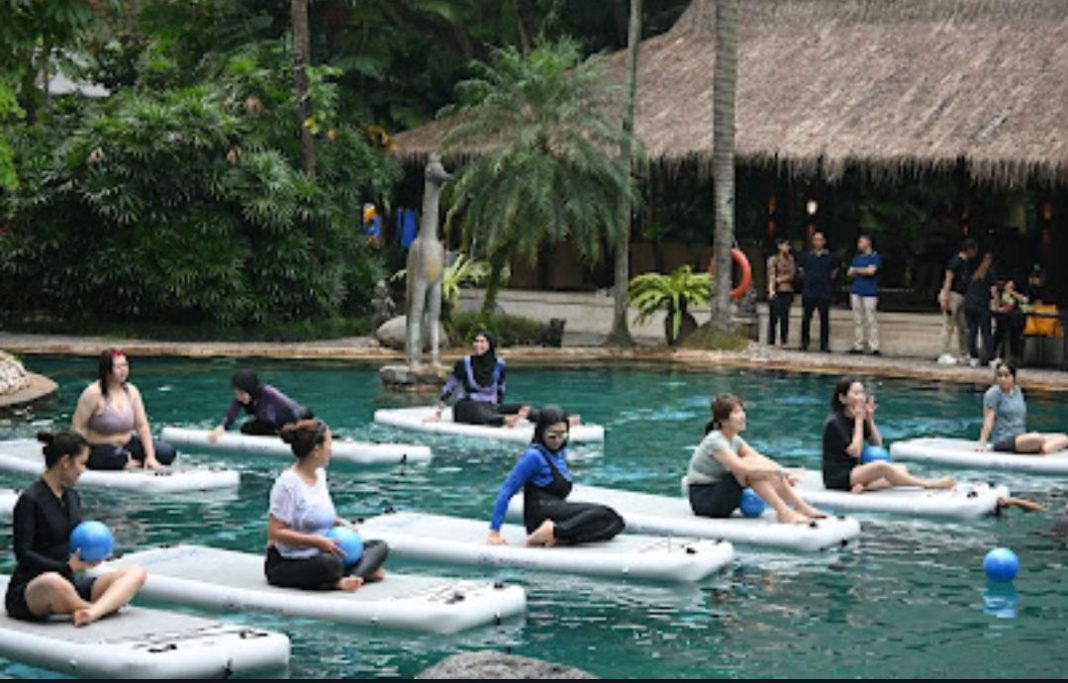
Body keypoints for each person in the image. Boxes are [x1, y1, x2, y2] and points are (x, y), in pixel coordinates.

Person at [5, 430, 147, 625]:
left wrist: (94, 551)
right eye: (81, 463)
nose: (83, 470)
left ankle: (92, 612)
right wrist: (65, 567)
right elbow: (23, 554)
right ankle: (96, 608)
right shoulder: (30, 499)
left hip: (70, 583)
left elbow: (76, 538)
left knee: (135, 573)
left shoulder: (72, 497)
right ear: (65, 462)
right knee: (52, 581)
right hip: (34, 587)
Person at [265, 419, 389, 591]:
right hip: (290, 561)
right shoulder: (288, 484)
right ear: (317, 449)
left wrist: (341, 523)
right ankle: (342, 579)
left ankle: (351, 577)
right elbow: (275, 532)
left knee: (379, 547)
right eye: (329, 444)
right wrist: (316, 542)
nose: (331, 449)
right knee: (329, 565)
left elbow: (319, 514)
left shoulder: (320, 475)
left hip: (325, 551)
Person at [487, 405, 623, 547]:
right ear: (541, 432)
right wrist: (494, 532)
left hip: (557, 513)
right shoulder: (533, 456)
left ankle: (558, 535)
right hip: (539, 517)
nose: (557, 440)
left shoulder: (559, 452)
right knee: (601, 513)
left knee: (616, 523)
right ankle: (551, 532)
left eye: (563, 435)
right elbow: (506, 491)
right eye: (552, 436)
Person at [686, 393, 828, 524]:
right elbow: (743, 469)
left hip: (722, 493)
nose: (742, 415)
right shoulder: (715, 441)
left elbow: (758, 458)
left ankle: (800, 507)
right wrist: (780, 472)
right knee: (750, 470)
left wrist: (783, 472)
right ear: (723, 420)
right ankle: (784, 512)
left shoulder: (734, 439)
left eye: (742, 410)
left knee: (756, 465)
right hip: (705, 500)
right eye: (736, 412)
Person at [823, 377, 955, 493]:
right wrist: (858, 420)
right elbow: (855, 452)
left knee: (901, 469)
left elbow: (877, 444)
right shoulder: (834, 423)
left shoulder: (859, 418)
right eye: (856, 393)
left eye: (862, 392)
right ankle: (929, 484)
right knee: (882, 467)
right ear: (843, 398)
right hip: (839, 476)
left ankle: (866, 486)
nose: (861, 397)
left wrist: (869, 420)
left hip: (856, 469)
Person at [71, 348, 177, 470]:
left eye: (125, 365)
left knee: (167, 452)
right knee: (118, 457)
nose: (123, 370)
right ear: (106, 370)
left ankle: (132, 461)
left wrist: (150, 456)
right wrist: (78, 459)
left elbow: (142, 425)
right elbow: (76, 428)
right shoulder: (93, 393)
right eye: (118, 367)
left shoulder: (131, 391)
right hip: (99, 447)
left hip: (127, 444)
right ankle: (127, 461)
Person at [425, 330, 532, 427]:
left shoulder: (499, 364)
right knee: (477, 410)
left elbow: (501, 388)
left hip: (488, 406)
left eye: (482, 342)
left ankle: (539, 419)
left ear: (490, 345)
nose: (477, 344)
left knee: (524, 408)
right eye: (476, 341)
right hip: (466, 407)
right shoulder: (464, 363)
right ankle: (502, 420)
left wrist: (498, 407)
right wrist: (438, 413)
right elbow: (449, 387)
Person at [976, 360, 1068, 455]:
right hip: (1004, 440)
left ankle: (1042, 450)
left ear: (1013, 377)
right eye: (1000, 375)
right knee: (1037, 438)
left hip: (1021, 438)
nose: (1003, 379)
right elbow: (988, 420)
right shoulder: (993, 394)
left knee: (1064, 438)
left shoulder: (1018, 391)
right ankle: (1037, 447)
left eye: (1006, 376)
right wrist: (982, 443)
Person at [209, 370, 313, 442]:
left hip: (298, 417)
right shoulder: (240, 398)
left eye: (241, 394)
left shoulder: (269, 393)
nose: (238, 397)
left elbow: (290, 410)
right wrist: (221, 427)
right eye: (236, 394)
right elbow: (230, 416)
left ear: (250, 390)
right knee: (246, 429)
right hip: (272, 422)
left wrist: (297, 432)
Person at [937, 238, 979, 365]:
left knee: (963, 326)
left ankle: (964, 352)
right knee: (948, 325)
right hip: (952, 294)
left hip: (962, 295)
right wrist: (946, 297)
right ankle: (943, 352)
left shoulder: (966, 263)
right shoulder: (955, 262)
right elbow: (948, 279)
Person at [796, 231, 838, 352]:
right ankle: (804, 343)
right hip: (809, 290)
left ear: (824, 242)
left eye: (820, 239)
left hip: (824, 291)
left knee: (824, 319)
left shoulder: (830, 257)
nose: (818, 242)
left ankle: (824, 344)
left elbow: (834, 272)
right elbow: (801, 271)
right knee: (806, 318)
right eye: (815, 239)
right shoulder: (806, 256)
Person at [846, 233, 882, 355]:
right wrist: (862, 270)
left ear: (868, 242)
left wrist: (857, 270)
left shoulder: (875, 257)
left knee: (871, 319)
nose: (859, 244)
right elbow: (849, 272)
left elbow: (871, 271)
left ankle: (874, 346)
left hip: (870, 292)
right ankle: (858, 345)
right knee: (857, 319)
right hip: (856, 291)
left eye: (861, 242)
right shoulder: (857, 258)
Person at [962, 251, 997, 367]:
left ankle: (974, 357)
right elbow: (994, 291)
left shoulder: (972, 272)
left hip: (969, 304)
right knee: (986, 332)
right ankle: (991, 358)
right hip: (981, 305)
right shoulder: (990, 273)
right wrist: (996, 305)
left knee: (972, 332)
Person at [766, 236, 797, 347]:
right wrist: (771, 289)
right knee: (773, 316)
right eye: (785, 245)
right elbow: (771, 274)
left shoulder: (791, 259)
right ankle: (771, 340)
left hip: (787, 289)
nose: (787, 248)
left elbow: (792, 274)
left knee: (785, 316)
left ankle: (784, 340)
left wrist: (781, 279)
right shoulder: (773, 259)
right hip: (776, 289)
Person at [992, 276, 1029, 365]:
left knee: (1015, 338)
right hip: (1003, 319)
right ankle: (997, 356)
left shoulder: (1017, 292)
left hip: (1016, 319)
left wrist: (1012, 292)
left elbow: (1024, 300)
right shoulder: (1002, 292)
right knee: (999, 336)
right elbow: (997, 304)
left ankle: (1015, 357)